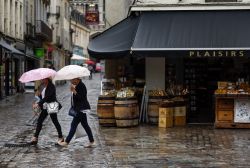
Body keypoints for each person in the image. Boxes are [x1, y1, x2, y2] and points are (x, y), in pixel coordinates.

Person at [58, 78, 95, 147]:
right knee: (85, 125)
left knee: (74, 125)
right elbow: (75, 98)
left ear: (77, 79)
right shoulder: (77, 85)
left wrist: (74, 91)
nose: (71, 82)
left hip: (81, 109)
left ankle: (67, 142)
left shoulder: (81, 86)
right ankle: (92, 141)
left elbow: (81, 98)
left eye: (72, 80)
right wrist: (73, 91)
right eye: (70, 80)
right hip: (79, 109)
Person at [30, 78, 64, 145]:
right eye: (42, 79)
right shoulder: (43, 86)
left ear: (47, 79)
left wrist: (38, 103)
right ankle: (35, 137)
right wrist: (38, 94)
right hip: (45, 107)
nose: (42, 80)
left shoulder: (51, 86)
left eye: (44, 79)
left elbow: (47, 97)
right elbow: (43, 97)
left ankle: (61, 137)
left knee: (55, 121)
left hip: (51, 106)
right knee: (39, 121)